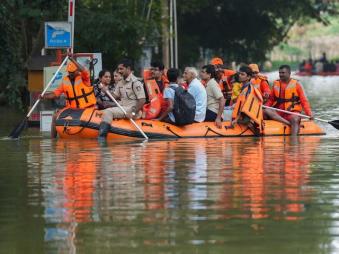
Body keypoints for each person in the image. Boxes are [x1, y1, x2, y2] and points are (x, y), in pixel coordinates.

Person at [40, 56, 96, 138]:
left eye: (72, 72)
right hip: (71, 108)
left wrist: (72, 59)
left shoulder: (84, 78)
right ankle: (53, 140)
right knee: (55, 116)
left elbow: (83, 70)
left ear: (77, 71)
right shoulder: (65, 81)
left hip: (86, 108)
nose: (70, 74)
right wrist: (44, 96)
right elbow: (56, 93)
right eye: (69, 72)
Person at [98, 59, 146, 138]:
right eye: (118, 69)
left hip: (131, 109)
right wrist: (106, 92)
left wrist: (133, 113)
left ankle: (101, 138)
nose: (119, 71)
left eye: (121, 69)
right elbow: (114, 97)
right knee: (104, 111)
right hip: (122, 108)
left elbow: (142, 100)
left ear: (128, 69)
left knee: (108, 112)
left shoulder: (135, 82)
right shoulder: (121, 82)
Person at [265, 65, 313, 136]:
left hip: (292, 112)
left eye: (283, 73)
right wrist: (266, 106)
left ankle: (293, 141)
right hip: (279, 112)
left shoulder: (297, 84)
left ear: (289, 73)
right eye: (280, 73)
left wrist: (309, 113)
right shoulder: (276, 83)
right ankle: (289, 124)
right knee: (266, 110)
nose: (281, 75)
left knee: (295, 118)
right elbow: (271, 100)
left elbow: (304, 101)